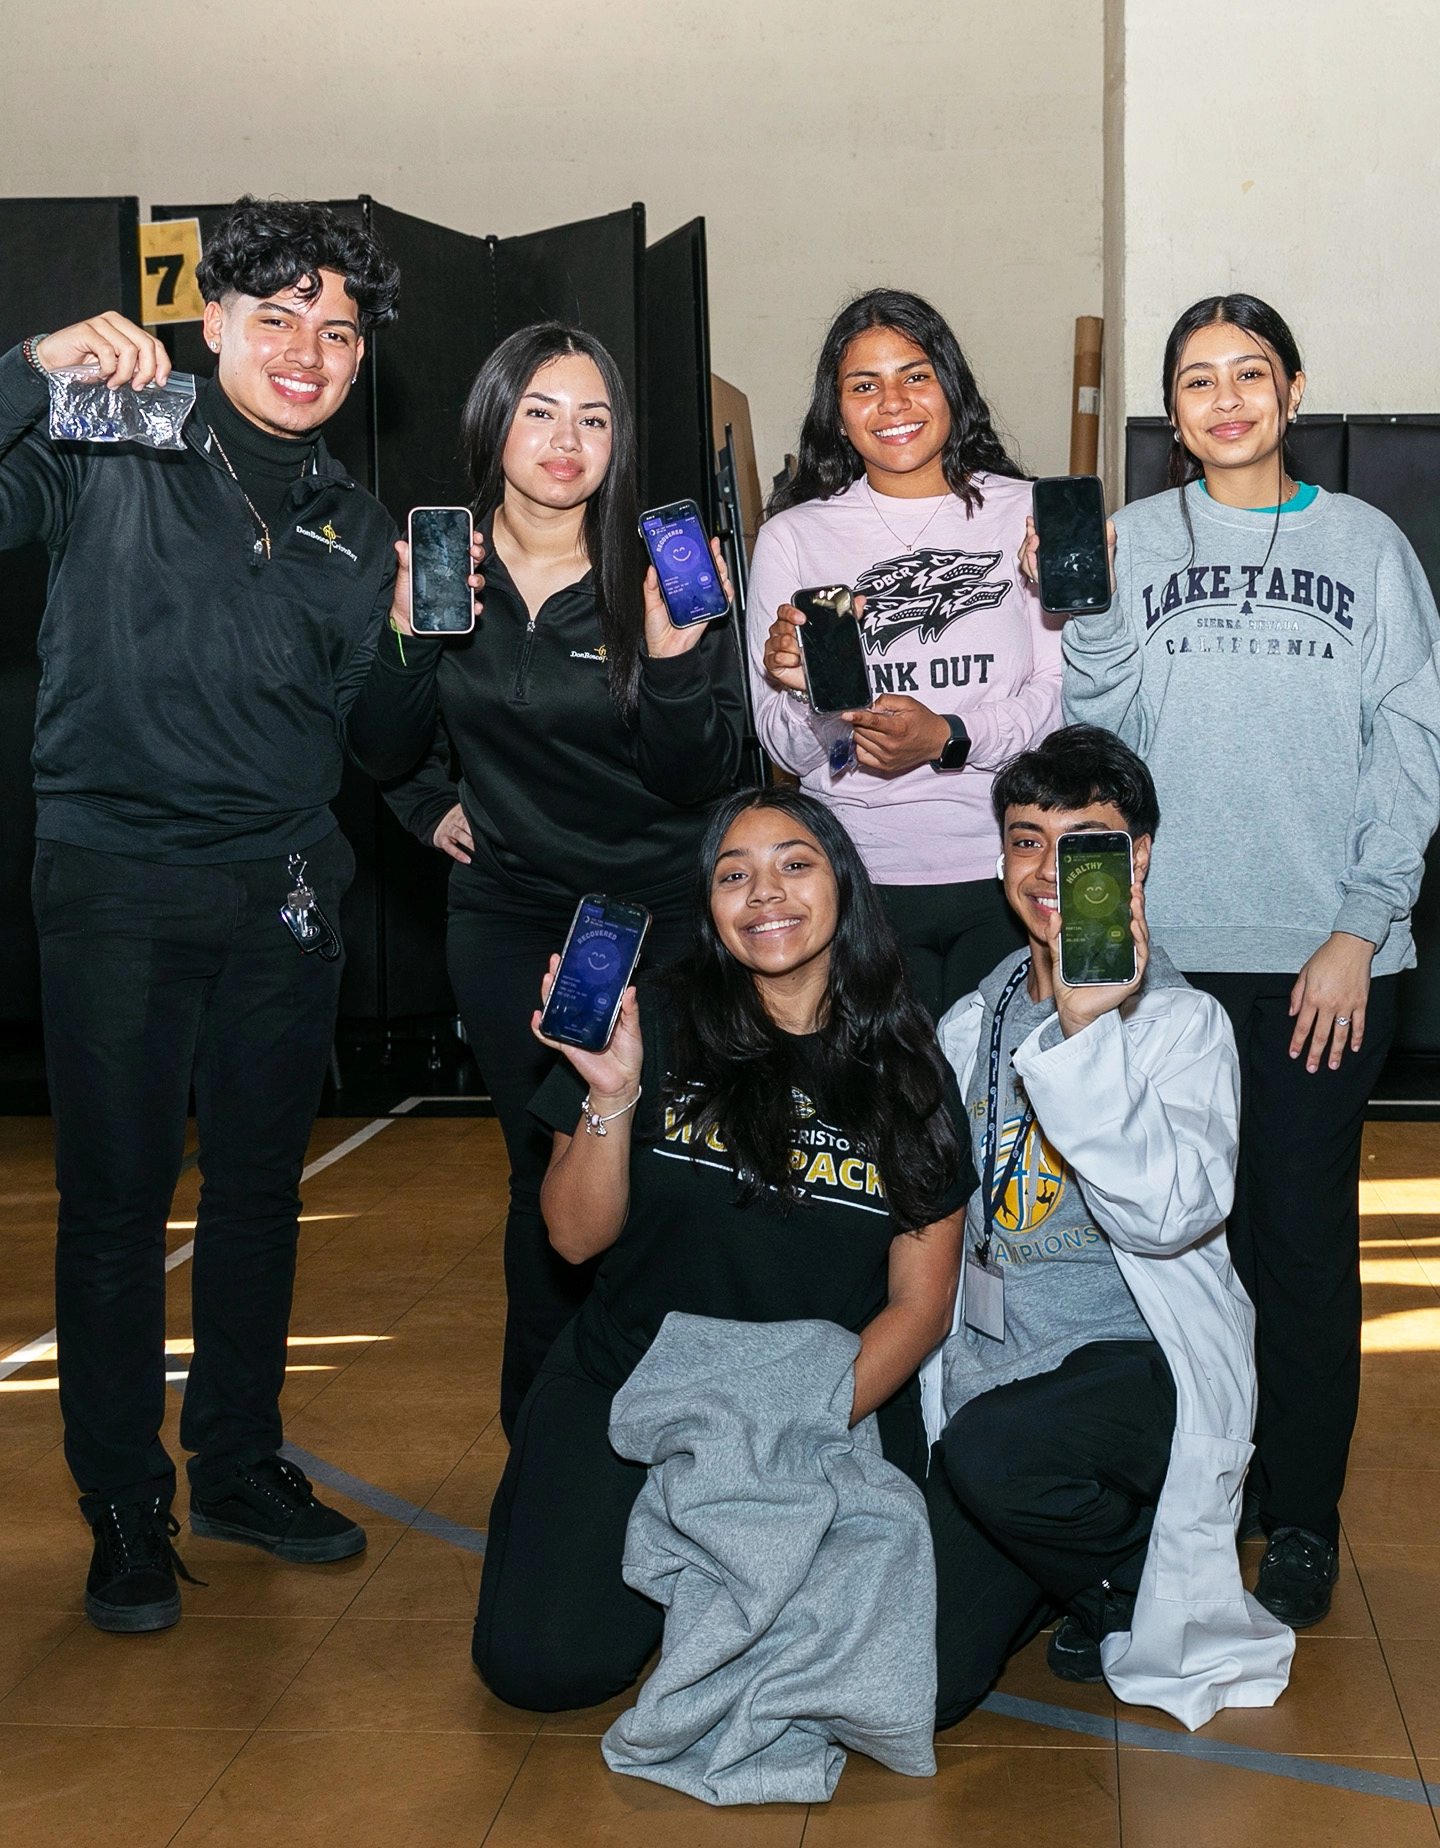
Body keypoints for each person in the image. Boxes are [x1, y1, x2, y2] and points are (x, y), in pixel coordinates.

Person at [0, 196, 467, 1634]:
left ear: (360, 361)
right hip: (114, 883)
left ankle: (238, 1464)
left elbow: (372, 741)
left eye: (338, 330)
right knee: (117, 1207)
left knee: (254, 1196)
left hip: (285, 897)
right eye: (278, 316)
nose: (308, 350)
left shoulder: (359, 525)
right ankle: (124, 1507)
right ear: (212, 324)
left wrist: (419, 650)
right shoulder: (109, 435)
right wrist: (30, 362)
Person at [1036, 294, 1440, 1627]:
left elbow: (1410, 748)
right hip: (1172, 957)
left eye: (1248, 374)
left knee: (1301, 1242)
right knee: (1162, 1239)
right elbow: (1099, 731)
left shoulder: (1370, 546)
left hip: (1328, 959)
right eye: (1197, 380)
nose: (1225, 400)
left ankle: (1303, 1515)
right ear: (1173, 412)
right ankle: (1195, 1488)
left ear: (1294, 387)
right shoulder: (1135, 541)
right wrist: (1083, 614)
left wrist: (1359, 928)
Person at [471, 786, 974, 1711]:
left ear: (845, 887)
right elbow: (573, 1237)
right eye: (732, 875)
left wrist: (788, 1422)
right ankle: (675, 1570)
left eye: (794, 864)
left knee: (888, 1682)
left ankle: (703, 1571)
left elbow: (921, 1306)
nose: (764, 894)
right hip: (636, 1381)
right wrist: (611, 1090)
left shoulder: (909, 1064)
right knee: (541, 1670)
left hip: (820, 1403)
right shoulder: (647, 1022)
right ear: (708, 907)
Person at [382, 324, 744, 1437]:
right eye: (540, 410)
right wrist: (421, 787)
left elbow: (705, 771)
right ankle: (545, 1439)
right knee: (539, 1171)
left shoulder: (659, 569)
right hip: (508, 917)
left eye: (593, 417)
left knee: (646, 1168)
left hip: (655, 920)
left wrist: (675, 660)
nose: (566, 439)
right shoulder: (443, 564)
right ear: (493, 424)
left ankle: (669, 1431)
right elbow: (381, 741)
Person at [927, 725, 1291, 1731]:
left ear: (1136, 858)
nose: (1047, 869)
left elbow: (1171, 1215)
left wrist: (1091, 1028)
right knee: (920, 1679)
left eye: (1082, 841)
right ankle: (1085, 1570)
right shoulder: (972, 1018)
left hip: (1134, 1364)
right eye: (1023, 839)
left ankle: (1127, 1561)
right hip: (996, 1377)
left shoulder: (1182, 1026)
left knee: (1001, 1455)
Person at [749, 289, 1061, 1018]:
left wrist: (947, 737)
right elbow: (788, 750)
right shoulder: (794, 537)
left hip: (1008, 871)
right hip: (858, 877)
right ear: (838, 409)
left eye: (914, 375)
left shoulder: (1027, 512)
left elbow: (1059, 697)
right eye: (865, 385)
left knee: (998, 1112)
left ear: (951, 385)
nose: (893, 402)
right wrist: (803, 693)